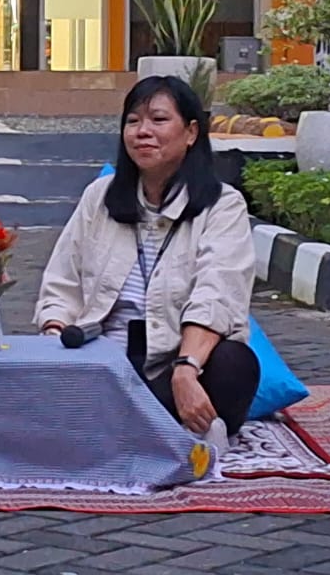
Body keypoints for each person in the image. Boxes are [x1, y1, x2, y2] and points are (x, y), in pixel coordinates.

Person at [34, 75, 259, 449]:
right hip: (102, 362)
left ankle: (130, 427)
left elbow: (217, 292)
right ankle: (153, 430)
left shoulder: (223, 204)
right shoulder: (100, 196)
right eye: (133, 121)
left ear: (191, 133)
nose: (142, 132)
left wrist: (186, 369)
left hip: (177, 364)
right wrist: (55, 338)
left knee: (235, 363)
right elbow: (63, 281)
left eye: (158, 120)